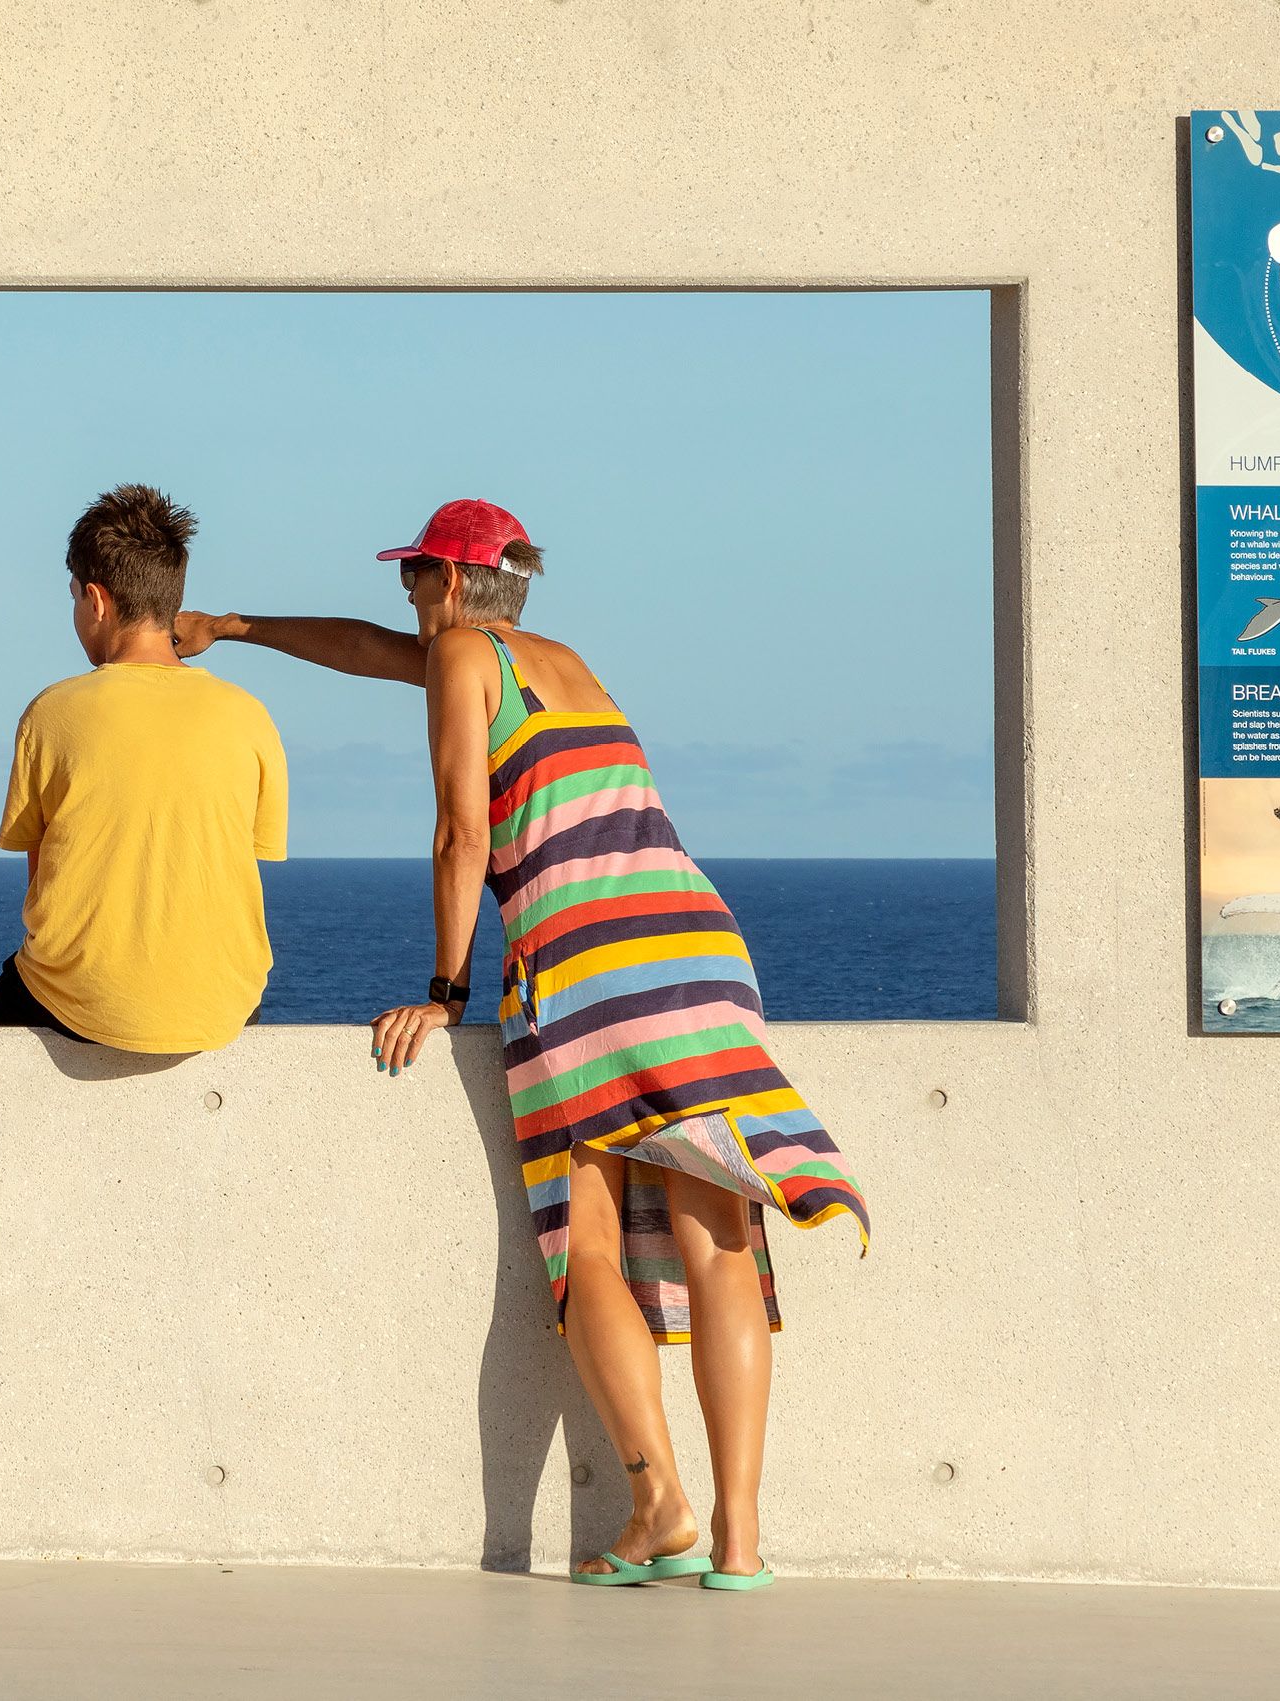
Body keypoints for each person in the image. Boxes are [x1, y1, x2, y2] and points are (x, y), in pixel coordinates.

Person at [176, 498, 868, 1590]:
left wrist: (445, 991)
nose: (405, 601)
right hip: (695, 945)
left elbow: (463, 830)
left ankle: (659, 1505)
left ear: (449, 586)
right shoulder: (559, 661)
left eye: (413, 579)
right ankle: (741, 1542)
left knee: (585, 1241)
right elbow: (370, 653)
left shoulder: (457, 656)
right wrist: (241, 627)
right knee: (718, 1225)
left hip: (585, 960)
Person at [0, 484, 288, 1051]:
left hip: (78, 1004)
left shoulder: (53, 711)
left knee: (16, 988)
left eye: (74, 596)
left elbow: (43, 885)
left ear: (97, 601)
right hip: (221, 1007)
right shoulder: (249, 716)